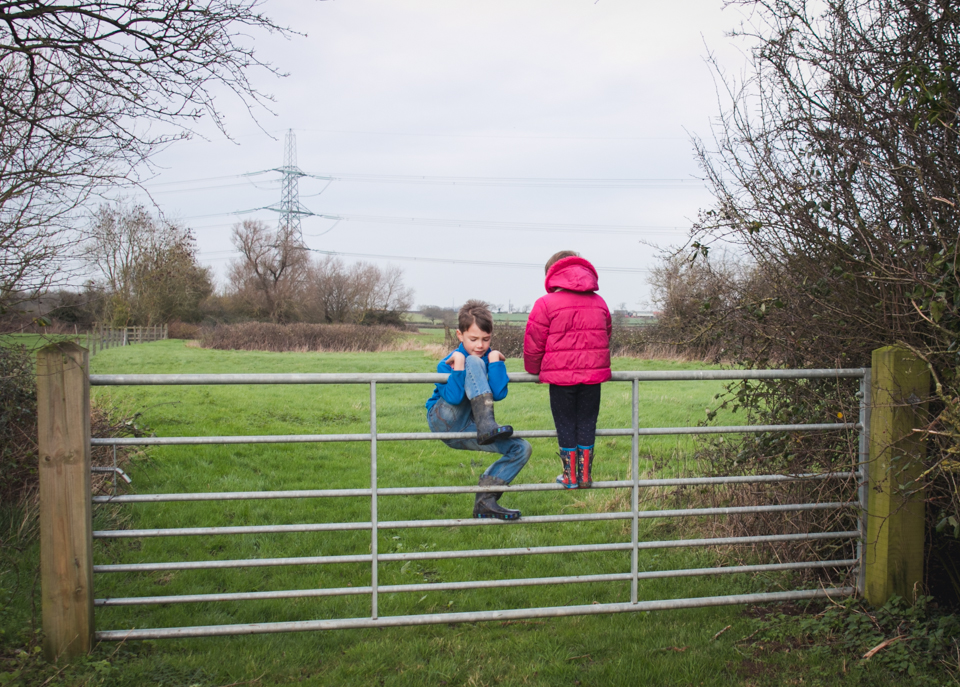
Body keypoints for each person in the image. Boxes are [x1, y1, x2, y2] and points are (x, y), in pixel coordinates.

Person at [426, 300, 532, 519]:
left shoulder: (486, 356)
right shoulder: (447, 363)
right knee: (473, 361)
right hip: (443, 419)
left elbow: (499, 393)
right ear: (460, 335)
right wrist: (460, 365)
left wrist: (495, 361)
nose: (480, 345)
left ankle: (485, 501)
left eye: (486, 339)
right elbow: (454, 398)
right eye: (473, 339)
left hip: (472, 427)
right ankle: (487, 426)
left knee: (522, 449)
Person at [523, 251, 612, 489]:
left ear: (552, 274)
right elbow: (606, 334)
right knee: (587, 421)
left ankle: (569, 476)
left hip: (561, 379)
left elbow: (534, 342)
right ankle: (585, 476)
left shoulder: (545, 303)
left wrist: (533, 370)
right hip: (592, 377)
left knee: (564, 422)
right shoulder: (599, 302)